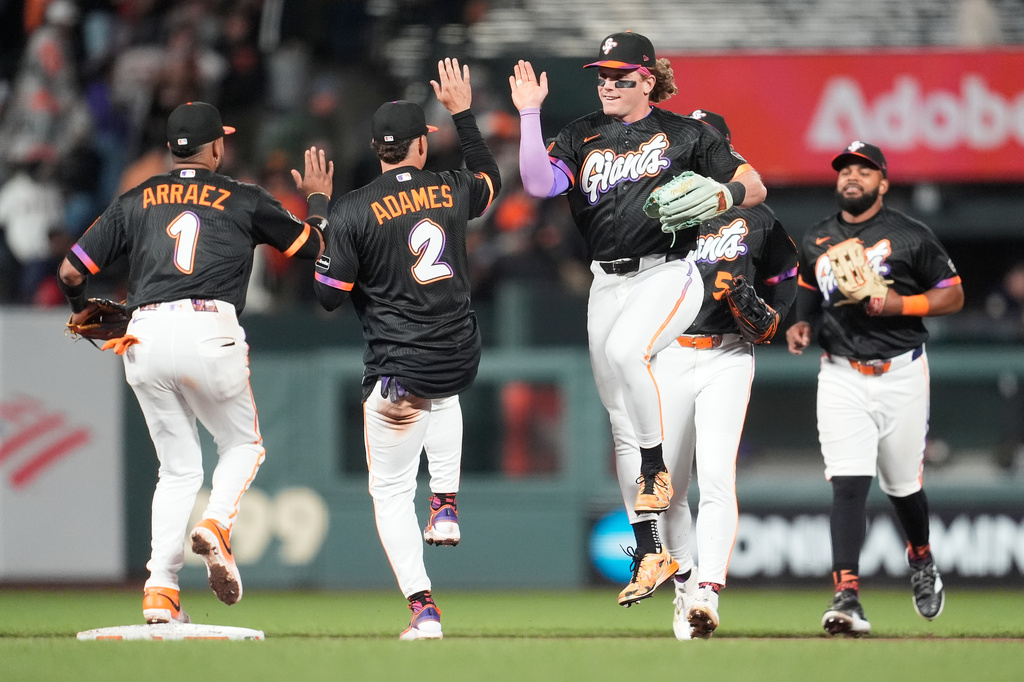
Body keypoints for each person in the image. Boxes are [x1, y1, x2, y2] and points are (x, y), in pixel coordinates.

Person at [510, 31, 767, 607]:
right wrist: (529, 115)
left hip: (666, 272)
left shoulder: (686, 134)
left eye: (620, 77)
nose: (607, 84)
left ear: (647, 80)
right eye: (602, 75)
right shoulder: (580, 133)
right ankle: (652, 551)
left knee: (628, 353)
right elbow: (537, 183)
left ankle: (656, 468)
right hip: (606, 282)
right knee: (621, 420)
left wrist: (722, 197)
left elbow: (754, 184)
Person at [57, 101, 333, 625]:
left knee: (178, 469)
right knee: (243, 445)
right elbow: (314, 248)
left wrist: (80, 309)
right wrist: (318, 201)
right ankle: (217, 524)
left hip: (144, 333)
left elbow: (71, 271)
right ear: (216, 148)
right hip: (209, 326)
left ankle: (160, 590)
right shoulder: (244, 197)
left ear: (171, 149)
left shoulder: (137, 198)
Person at [313, 58, 500, 641]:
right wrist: (464, 113)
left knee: (391, 492)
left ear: (377, 149)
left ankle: (424, 610)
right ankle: (445, 503)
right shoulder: (450, 188)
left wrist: (321, 214)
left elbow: (327, 296)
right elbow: (489, 178)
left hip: (397, 369)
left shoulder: (351, 208)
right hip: (460, 352)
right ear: (424, 142)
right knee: (443, 389)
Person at [785, 141, 964, 637]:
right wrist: (802, 323)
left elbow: (953, 295)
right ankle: (846, 596)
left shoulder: (911, 234)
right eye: (845, 169)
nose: (852, 177)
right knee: (848, 483)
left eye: (864, 171)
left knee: (903, 487)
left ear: (883, 183)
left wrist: (900, 304)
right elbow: (808, 289)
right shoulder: (817, 236)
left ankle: (921, 558)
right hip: (840, 372)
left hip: (901, 371)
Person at [656, 110, 798, 639]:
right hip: (669, 353)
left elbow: (786, 271)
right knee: (667, 487)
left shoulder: (757, 216)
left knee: (717, 476)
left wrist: (777, 313)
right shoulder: (658, 209)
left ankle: (708, 592)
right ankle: (685, 584)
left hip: (728, 354)